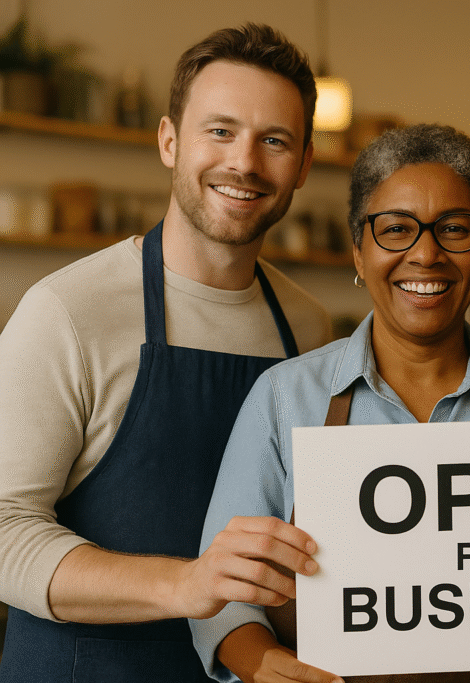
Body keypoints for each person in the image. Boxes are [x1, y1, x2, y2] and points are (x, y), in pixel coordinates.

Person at [0, 24, 333, 682]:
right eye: (220, 130)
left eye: (274, 140)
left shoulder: (309, 327)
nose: (244, 162)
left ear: (302, 164)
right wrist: (187, 584)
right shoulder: (66, 311)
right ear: (169, 141)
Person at [190, 123, 470, 683]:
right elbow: (224, 590)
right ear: (359, 252)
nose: (426, 254)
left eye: (455, 230)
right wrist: (263, 663)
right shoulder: (284, 398)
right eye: (396, 229)